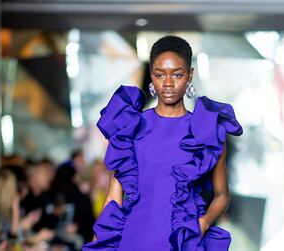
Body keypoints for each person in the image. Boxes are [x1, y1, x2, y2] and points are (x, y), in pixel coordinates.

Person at [82, 35, 243, 251]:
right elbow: (113, 196)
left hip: (182, 239)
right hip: (134, 238)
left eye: (177, 74)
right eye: (160, 75)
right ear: (151, 76)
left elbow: (222, 195)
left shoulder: (205, 132)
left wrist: (203, 223)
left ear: (189, 75)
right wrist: (98, 243)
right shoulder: (130, 127)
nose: (168, 83)